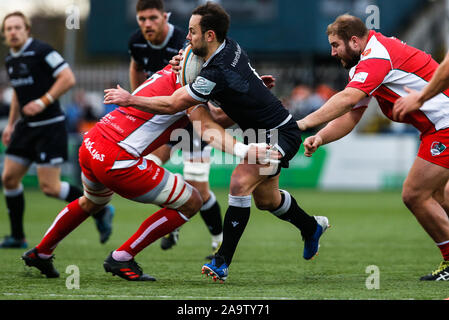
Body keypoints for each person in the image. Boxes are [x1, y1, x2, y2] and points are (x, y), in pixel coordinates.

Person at [104, 1, 329, 283]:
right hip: (257, 132)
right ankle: (311, 227)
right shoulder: (229, 45)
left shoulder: (216, 73)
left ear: (210, 35)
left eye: (192, 32)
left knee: (239, 183)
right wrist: (184, 62)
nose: (187, 37)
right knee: (267, 200)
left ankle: (221, 261)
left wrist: (130, 98)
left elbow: (174, 103)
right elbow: (212, 70)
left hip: (280, 133)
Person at [21, 63, 273, 281]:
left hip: (92, 144)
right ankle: (122, 257)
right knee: (192, 201)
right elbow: (209, 126)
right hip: (117, 158)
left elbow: (216, 115)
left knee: (92, 201)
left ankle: (41, 252)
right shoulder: (191, 90)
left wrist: (246, 98)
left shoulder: (171, 70)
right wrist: (244, 149)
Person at [298, 14, 449, 281]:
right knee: (439, 195)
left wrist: (304, 123)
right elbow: (352, 115)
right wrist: (320, 136)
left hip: (445, 126)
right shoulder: (367, 62)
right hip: (435, 129)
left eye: (335, 45)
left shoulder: (377, 57)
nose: (332, 52)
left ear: (354, 41)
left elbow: (348, 99)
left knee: (414, 193)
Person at [0, 11, 114, 248]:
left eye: (17, 27)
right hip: (25, 127)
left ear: (27, 30)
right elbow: (18, 96)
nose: (12, 32)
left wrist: (43, 101)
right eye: (8, 29)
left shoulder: (43, 51)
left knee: (50, 188)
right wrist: (11, 124)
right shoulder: (11, 59)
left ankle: (99, 209)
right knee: (9, 179)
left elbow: (68, 78)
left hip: (49, 127)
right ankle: (18, 236)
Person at [129, 0, 224, 257]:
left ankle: (219, 239)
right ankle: (173, 220)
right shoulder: (136, 41)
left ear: (165, 17)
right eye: (142, 19)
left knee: (199, 191)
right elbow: (137, 66)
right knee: (145, 167)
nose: (147, 24)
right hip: (164, 118)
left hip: (192, 118)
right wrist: (137, 99)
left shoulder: (184, 42)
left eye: (152, 18)